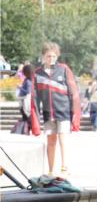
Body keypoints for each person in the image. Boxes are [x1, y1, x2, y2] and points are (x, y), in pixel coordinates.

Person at [33, 42, 81, 175]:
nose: (51, 59)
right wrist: (36, 117)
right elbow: (35, 97)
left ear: (57, 56)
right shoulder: (38, 73)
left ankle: (65, 167)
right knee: (51, 141)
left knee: (62, 139)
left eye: (54, 56)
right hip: (48, 113)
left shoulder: (64, 69)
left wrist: (74, 113)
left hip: (63, 111)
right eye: (48, 56)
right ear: (43, 56)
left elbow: (73, 92)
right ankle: (51, 170)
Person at [13, 64, 36, 135]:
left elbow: (27, 92)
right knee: (26, 117)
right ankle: (26, 130)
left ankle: (26, 130)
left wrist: (20, 87)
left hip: (24, 102)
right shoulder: (29, 79)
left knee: (26, 117)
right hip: (24, 101)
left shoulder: (28, 81)